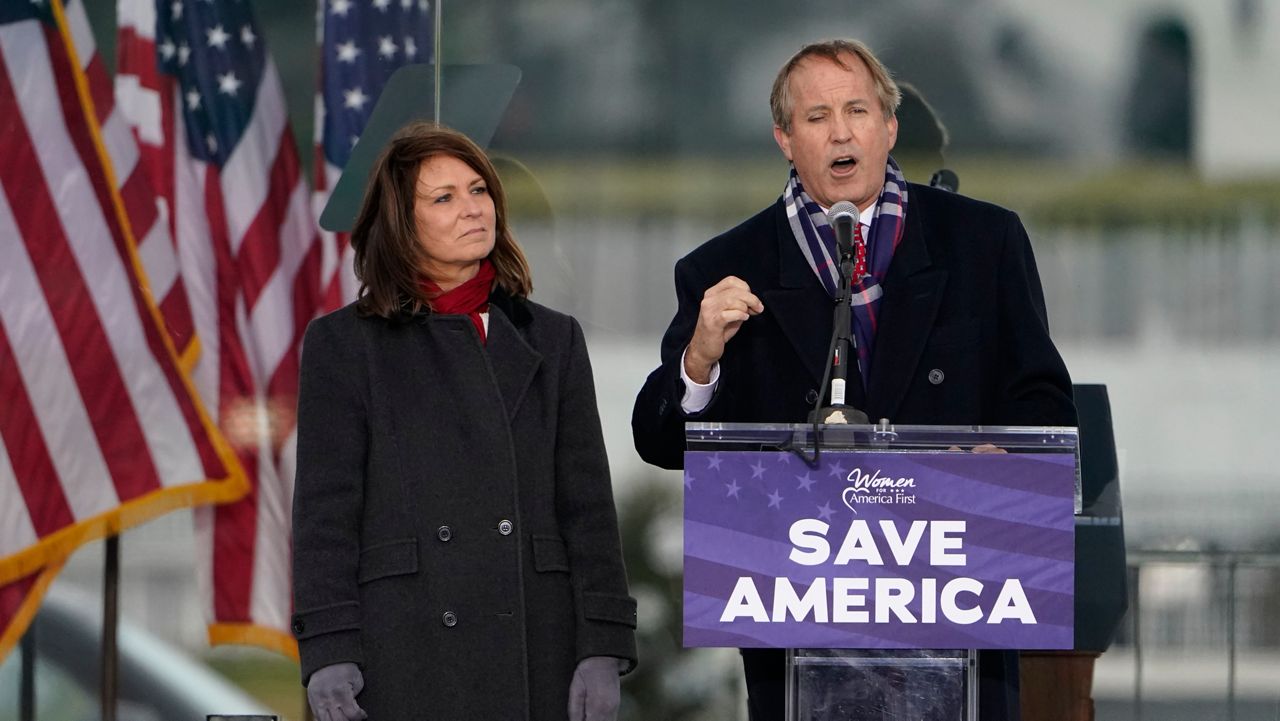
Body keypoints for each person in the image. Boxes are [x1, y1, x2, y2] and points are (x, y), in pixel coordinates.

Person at [631, 39, 1075, 721]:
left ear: (888, 127)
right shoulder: (725, 267)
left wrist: (1008, 462)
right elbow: (658, 437)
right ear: (785, 137)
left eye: (857, 110)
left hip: (957, 612)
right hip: (804, 635)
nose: (840, 131)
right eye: (816, 116)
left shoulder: (984, 242)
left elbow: (1043, 398)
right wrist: (699, 359)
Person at [292, 122, 637, 721]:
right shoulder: (343, 346)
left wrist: (604, 641)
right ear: (402, 220)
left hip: (537, 643)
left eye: (478, 190)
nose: (473, 209)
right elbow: (325, 516)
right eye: (444, 198)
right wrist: (326, 648)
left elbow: (588, 509)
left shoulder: (553, 339)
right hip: (402, 645)